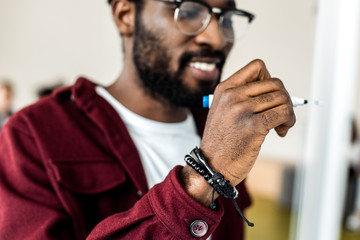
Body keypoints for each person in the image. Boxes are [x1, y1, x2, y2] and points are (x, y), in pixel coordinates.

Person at [0, 0, 296, 239]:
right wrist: (203, 177)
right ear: (125, 14)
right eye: (189, 11)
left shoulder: (221, 129)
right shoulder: (32, 136)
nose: (217, 38)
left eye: (226, 17)